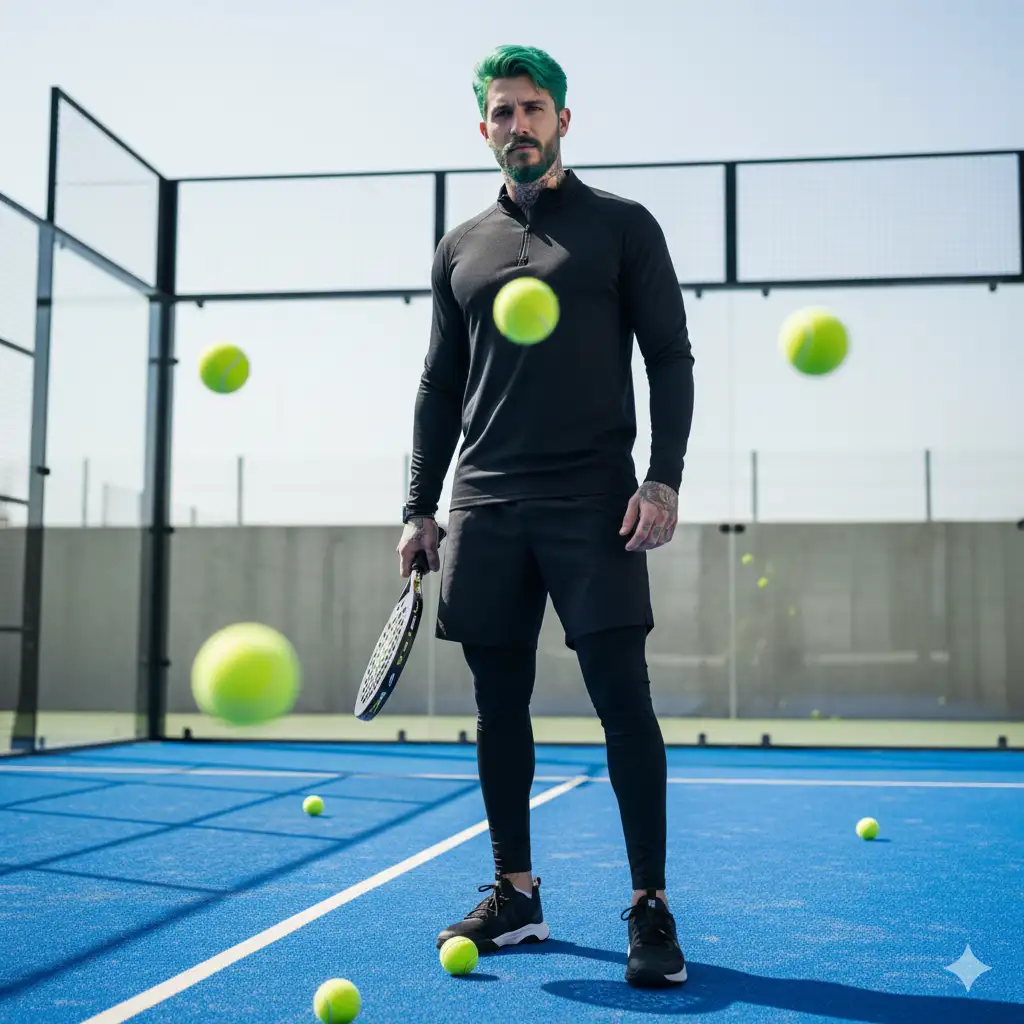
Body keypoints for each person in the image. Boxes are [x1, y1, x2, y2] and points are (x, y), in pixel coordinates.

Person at [397, 44, 695, 988]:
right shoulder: (459, 246)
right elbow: (440, 385)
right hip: (483, 502)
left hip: (592, 500)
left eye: (532, 109)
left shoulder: (622, 227)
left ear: (564, 118)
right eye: (501, 113)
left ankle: (649, 904)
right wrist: (418, 506)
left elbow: (672, 360)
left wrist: (661, 480)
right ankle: (515, 893)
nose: (516, 125)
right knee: (498, 708)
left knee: (623, 701)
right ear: (482, 128)